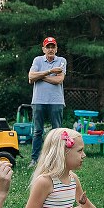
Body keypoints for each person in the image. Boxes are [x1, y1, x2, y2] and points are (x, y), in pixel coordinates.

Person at [28, 36, 67, 168]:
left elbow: (58, 80)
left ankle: (56, 160)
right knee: (37, 131)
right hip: (38, 100)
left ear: (56, 49)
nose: (50, 49)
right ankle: (35, 160)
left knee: (57, 131)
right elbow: (30, 77)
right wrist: (50, 71)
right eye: (48, 47)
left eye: (53, 47)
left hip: (56, 101)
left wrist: (39, 76)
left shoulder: (61, 60)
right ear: (43, 49)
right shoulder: (37, 60)